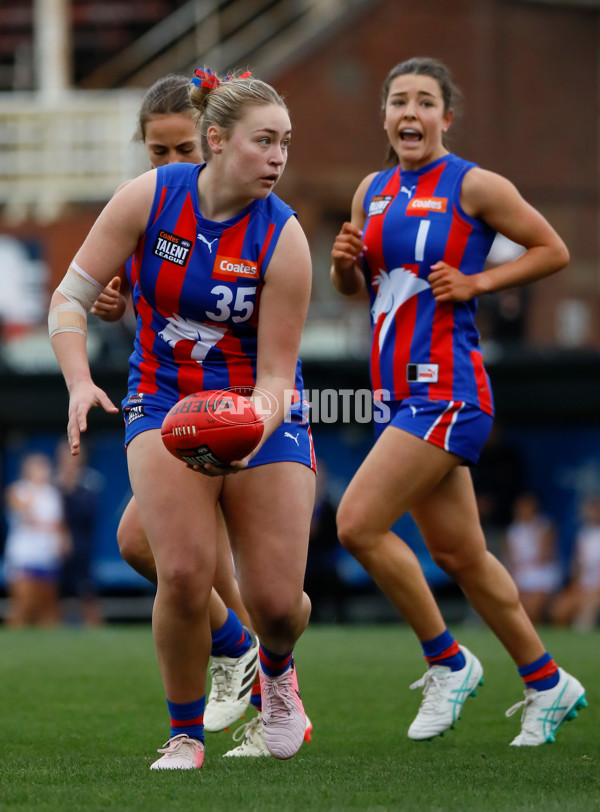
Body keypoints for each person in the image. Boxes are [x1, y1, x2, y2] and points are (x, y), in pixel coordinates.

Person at [49, 66, 315, 770]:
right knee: (185, 571)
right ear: (219, 140)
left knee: (279, 603)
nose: (280, 157)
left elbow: (277, 379)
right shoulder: (149, 197)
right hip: (161, 400)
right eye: (266, 141)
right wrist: (79, 382)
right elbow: (67, 301)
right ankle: (186, 734)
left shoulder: (285, 238)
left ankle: (275, 670)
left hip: (258, 409)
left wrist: (245, 430)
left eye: (286, 143)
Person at [330, 56, 586, 747]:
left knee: (355, 523)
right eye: (398, 101)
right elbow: (361, 291)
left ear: (446, 116)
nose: (410, 112)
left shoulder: (473, 184)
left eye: (425, 102)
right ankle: (546, 681)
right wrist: (342, 265)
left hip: (446, 388)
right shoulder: (371, 190)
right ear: (384, 115)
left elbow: (552, 249)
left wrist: (479, 284)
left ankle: (447, 660)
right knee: (461, 555)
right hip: (397, 394)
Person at [3, 452, 70, 626]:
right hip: (23, 557)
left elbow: (59, 524)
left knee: (48, 608)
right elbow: (22, 509)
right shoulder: (18, 490)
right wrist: (34, 489)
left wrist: (63, 541)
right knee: (23, 605)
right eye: (38, 467)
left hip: (47, 556)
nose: (43, 471)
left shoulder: (53, 494)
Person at [55, 439, 105, 626]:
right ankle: (54, 630)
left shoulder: (90, 481)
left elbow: (88, 512)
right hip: (56, 546)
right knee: (56, 592)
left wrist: (70, 490)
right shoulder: (53, 481)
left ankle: (94, 627)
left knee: (87, 590)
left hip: (82, 543)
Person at [503, 493, 562, 625]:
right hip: (521, 573)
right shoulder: (512, 530)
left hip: (542, 573)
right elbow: (509, 556)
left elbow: (546, 554)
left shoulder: (544, 526)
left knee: (533, 607)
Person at [551, 495, 600, 631]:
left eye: (593, 510)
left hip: (597, 587)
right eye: (588, 510)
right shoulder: (582, 534)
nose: (590, 514)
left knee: (583, 621)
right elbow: (577, 564)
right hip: (582, 585)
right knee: (558, 611)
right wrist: (575, 585)